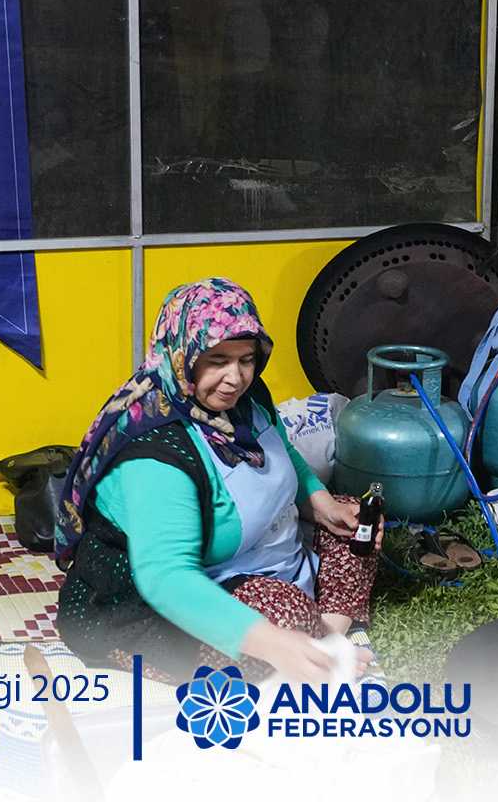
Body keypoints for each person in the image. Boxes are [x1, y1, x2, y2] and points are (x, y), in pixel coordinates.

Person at [53, 278, 377, 685]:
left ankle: (323, 638)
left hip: (261, 562)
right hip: (156, 613)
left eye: (246, 359)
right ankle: (313, 645)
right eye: (217, 360)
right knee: (283, 612)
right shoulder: (155, 452)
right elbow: (167, 579)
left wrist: (325, 506)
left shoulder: (243, 399)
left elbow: (284, 452)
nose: (235, 378)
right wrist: (271, 641)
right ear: (181, 357)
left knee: (358, 521)